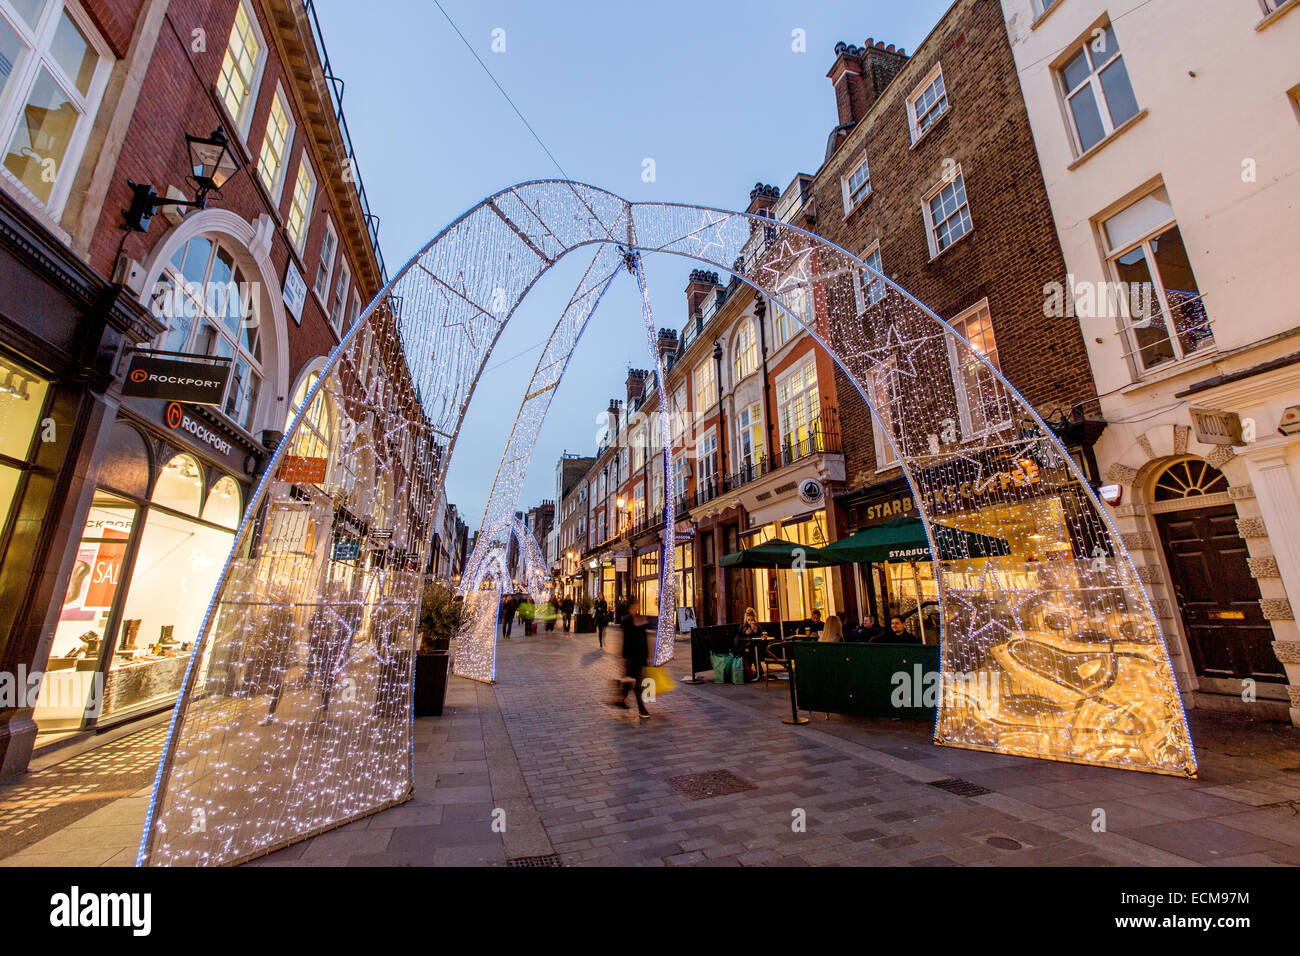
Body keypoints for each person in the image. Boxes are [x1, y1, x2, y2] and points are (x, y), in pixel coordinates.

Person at [610, 595, 650, 717]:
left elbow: (644, 639)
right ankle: (641, 709)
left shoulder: (641, 618)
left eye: (638, 604)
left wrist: (647, 654)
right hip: (632, 655)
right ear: (631, 606)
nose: (637, 606)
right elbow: (626, 639)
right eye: (636, 604)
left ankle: (620, 700)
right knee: (637, 683)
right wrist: (624, 656)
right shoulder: (627, 620)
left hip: (640, 655)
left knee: (630, 680)